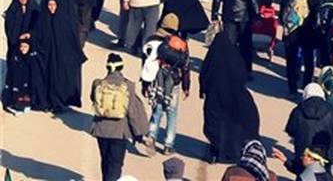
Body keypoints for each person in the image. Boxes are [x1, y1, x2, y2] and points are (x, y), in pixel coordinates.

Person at [200, 29, 260, 163]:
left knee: (215, 125)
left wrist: (203, 90)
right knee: (233, 126)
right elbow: (242, 76)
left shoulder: (212, 58)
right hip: (234, 98)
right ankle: (233, 152)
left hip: (215, 97)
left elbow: (205, 75)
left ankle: (216, 152)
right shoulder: (235, 59)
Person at [89, 53, 149, 181]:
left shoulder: (97, 83)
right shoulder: (128, 85)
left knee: (105, 161)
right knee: (115, 164)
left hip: (101, 130)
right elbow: (132, 112)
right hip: (119, 132)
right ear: (121, 67)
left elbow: (93, 99)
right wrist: (139, 134)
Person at [141, 13, 191, 155]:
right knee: (172, 112)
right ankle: (168, 145)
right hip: (173, 81)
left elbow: (146, 63)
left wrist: (145, 83)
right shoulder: (180, 43)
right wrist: (186, 87)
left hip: (156, 80)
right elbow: (185, 67)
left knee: (157, 109)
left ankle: (151, 136)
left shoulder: (151, 40)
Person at [35, 0, 86, 112]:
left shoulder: (68, 4)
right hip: (48, 51)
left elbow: (73, 29)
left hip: (63, 50)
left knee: (61, 76)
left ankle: (60, 102)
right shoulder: (47, 3)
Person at [286, 83, 333, 175]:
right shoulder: (331, 111)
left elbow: (290, 130)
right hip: (325, 153)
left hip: (304, 152)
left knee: (302, 174)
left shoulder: (298, 110)